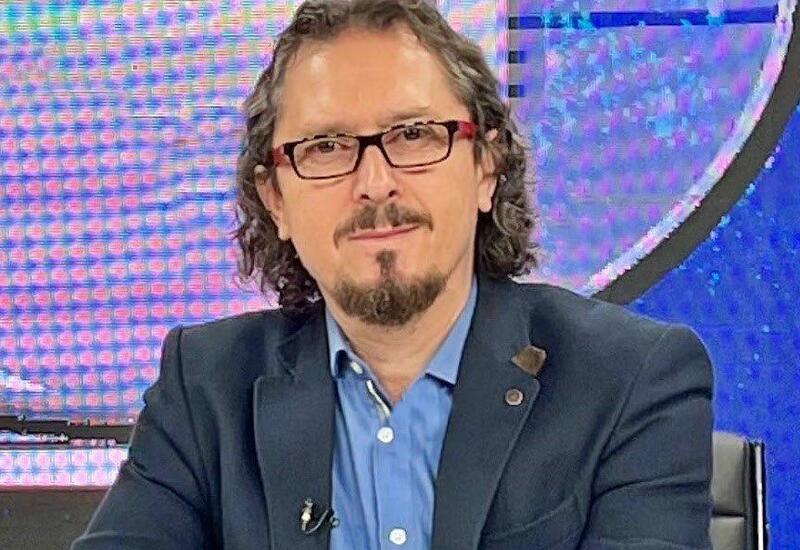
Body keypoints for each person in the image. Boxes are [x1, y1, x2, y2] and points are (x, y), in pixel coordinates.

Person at [72, 1, 714, 548]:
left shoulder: (630, 381)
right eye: (326, 147)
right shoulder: (204, 388)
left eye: (414, 135)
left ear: (486, 168)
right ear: (276, 200)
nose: (375, 183)